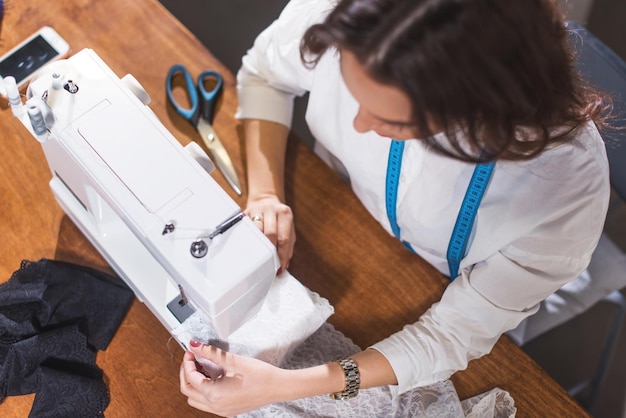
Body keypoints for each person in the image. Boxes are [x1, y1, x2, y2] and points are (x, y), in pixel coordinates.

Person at [180, 0, 612, 415]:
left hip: (446, 291)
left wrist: (288, 385)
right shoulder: (346, 17)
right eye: (353, 93)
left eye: (396, 123)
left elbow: (451, 334)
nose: (360, 125)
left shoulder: (563, 190)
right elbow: (265, 76)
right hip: (340, 214)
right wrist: (265, 194)